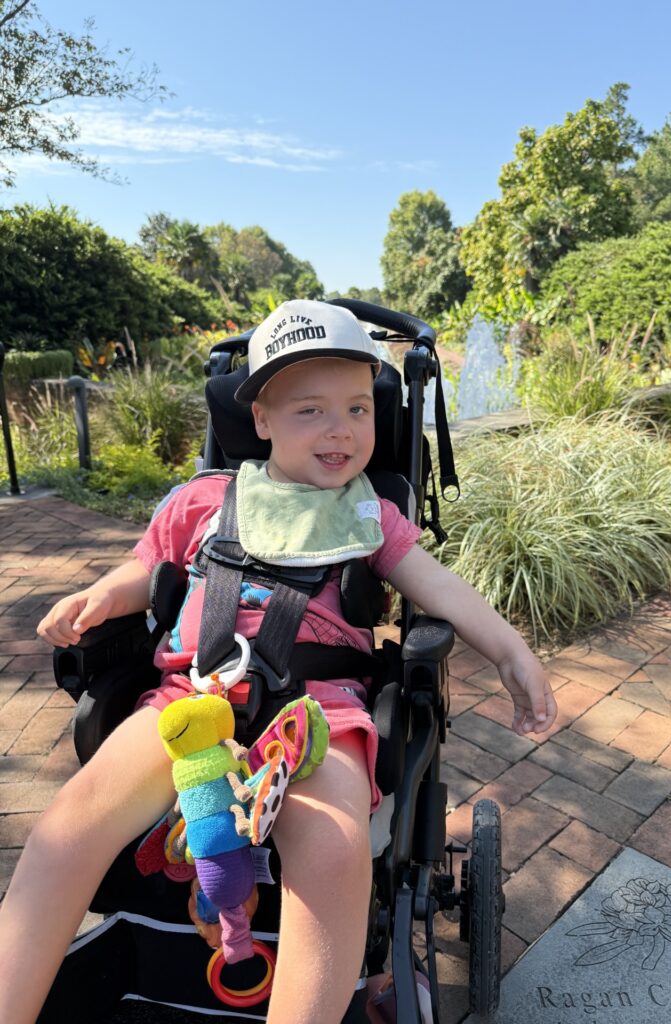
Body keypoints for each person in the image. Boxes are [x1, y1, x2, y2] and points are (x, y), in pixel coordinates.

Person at [0, 300, 557, 1024]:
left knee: (332, 848)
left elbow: (440, 588)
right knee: (67, 829)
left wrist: (512, 650)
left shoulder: (372, 514)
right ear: (260, 418)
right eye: (310, 411)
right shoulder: (205, 499)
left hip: (319, 716)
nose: (341, 429)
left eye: (358, 408)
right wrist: (102, 594)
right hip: (189, 700)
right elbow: (147, 569)